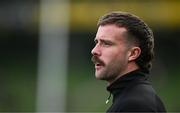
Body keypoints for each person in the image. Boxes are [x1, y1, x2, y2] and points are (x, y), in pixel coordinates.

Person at [91, 11, 166, 112]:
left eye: (106, 43)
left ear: (133, 54)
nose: (94, 50)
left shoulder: (135, 105)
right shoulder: (133, 98)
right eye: (97, 42)